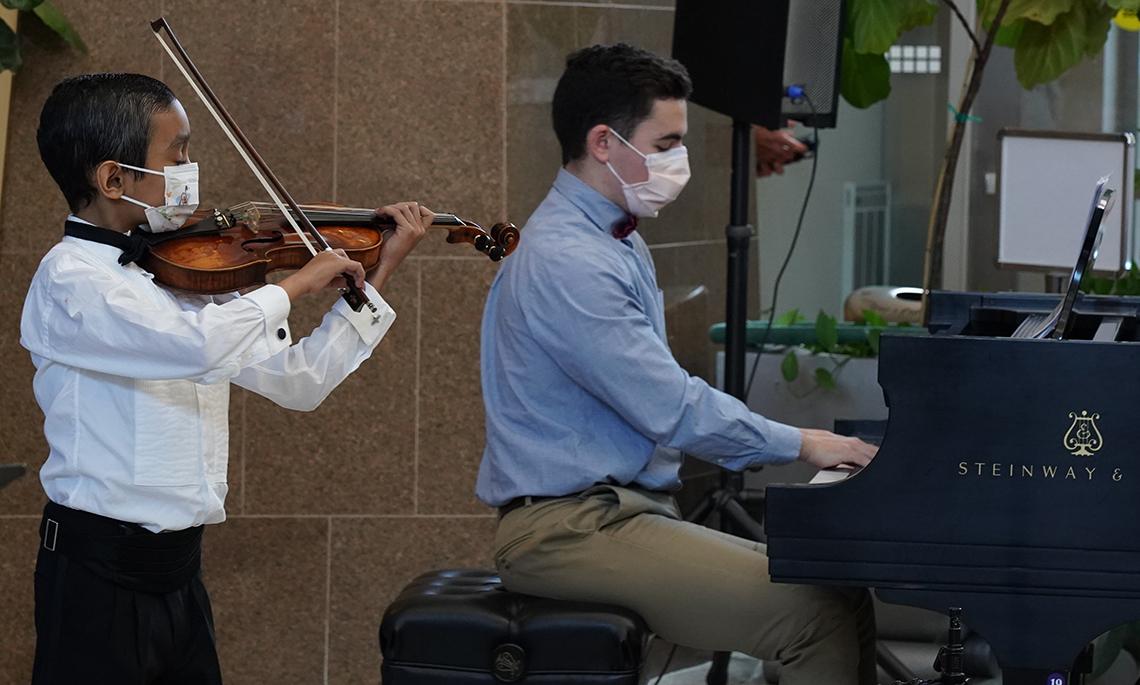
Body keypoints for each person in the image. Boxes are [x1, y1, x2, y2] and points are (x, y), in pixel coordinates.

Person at [476, 44, 878, 685]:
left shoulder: (613, 237)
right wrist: (806, 442)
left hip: (615, 512)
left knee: (840, 593)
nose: (677, 161)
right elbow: (671, 405)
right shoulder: (569, 260)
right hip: (568, 531)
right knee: (815, 613)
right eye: (665, 143)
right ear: (604, 143)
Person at [23, 72, 432, 684]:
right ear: (113, 179)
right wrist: (292, 284)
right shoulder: (71, 281)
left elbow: (299, 381)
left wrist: (378, 273)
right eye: (178, 152)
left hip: (179, 573)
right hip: (97, 573)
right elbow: (196, 348)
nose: (192, 167)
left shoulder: (175, 275)